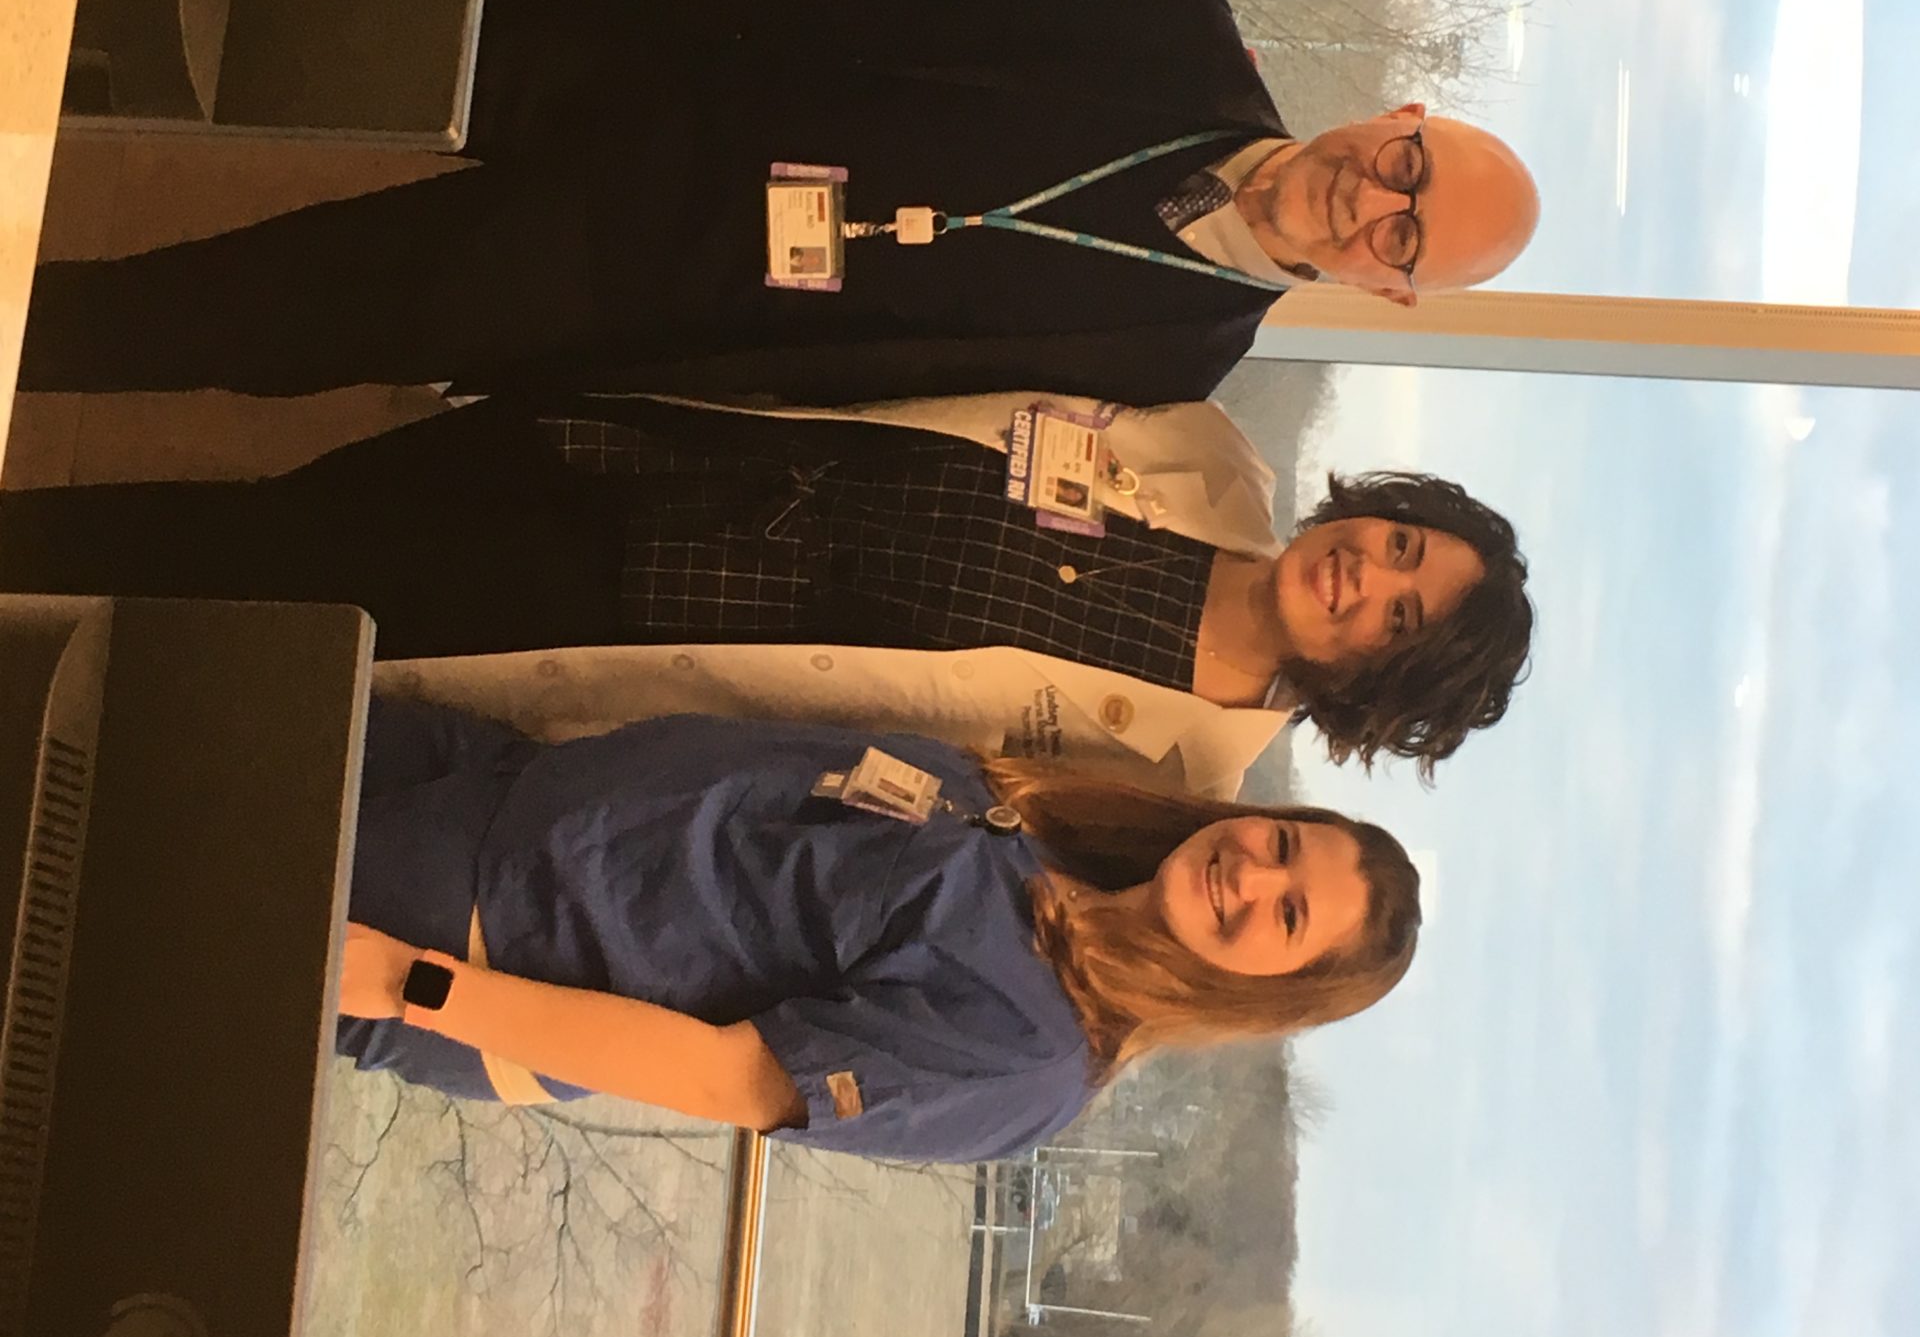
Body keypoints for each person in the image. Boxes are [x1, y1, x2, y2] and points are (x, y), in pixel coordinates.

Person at [17, 0, 1542, 411]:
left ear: (1391, 285)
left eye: (1406, 228)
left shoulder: (1171, 365)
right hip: (632, 64)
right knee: (238, 30)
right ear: (1400, 110)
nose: (1373, 192)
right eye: (1410, 159)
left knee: (222, 326)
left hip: (619, 289)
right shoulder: (1174, 25)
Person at [0, 396, 1535, 784]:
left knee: (270, 628)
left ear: (1371, 694)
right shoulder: (1200, 450)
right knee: (281, 514)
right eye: (1402, 547)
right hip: (651, 470)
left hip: (635, 643)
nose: (1365, 579)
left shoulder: (1171, 772)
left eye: (1397, 622)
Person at [335, 693, 1422, 1159]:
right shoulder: (1048, 828)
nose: (1251, 872)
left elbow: (726, 1079)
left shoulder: (1033, 1057)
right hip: (502, 781)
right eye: (1283, 842)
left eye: (1287, 916)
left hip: (479, 929)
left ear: (1267, 990)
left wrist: (413, 988)